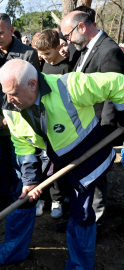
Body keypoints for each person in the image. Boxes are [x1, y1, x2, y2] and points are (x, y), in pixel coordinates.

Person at [0, 58, 124, 269]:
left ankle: (80, 266)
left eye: (13, 93)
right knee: (23, 198)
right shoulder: (11, 109)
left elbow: (118, 83)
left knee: (82, 212)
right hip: (46, 154)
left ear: (33, 84)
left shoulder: (71, 87)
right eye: (6, 92)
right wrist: (30, 180)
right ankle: (13, 250)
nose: (9, 99)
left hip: (84, 155)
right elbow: (21, 144)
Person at [61, 10, 124, 231]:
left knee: (96, 175)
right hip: (83, 125)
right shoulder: (83, 49)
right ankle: (80, 216)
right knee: (84, 174)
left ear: (82, 27)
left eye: (68, 35)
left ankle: (95, 222)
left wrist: (104, 133)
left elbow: (112, 96)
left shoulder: (110, 52)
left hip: (98, 127)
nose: (67, 40)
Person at [0, 13, 40, 217]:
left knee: (20, 163)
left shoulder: (27, 54)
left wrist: (13, 114)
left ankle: (19, 199)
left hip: (20, 122)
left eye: (1, 33)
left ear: (11, 31)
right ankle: (4, 199)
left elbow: (33, 90)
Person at [33, 29, 72, 219]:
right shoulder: (44, 68)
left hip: (62, 125)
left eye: (48, 53)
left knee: (57, 164)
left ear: (59, 47)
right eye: (41, 55)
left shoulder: (67, 68)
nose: (45, 58)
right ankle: (43, 198)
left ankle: (58, 199)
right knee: (44, 162)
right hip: (46, 123)